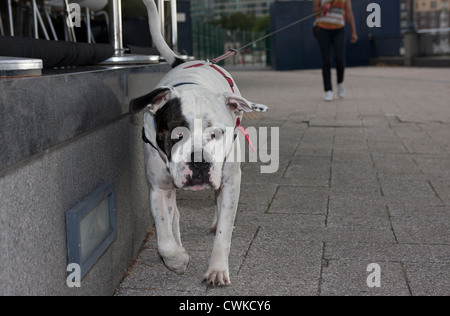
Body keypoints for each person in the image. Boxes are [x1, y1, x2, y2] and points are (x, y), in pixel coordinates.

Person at [313, 0, 358, 101]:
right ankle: (328, 90)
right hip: (322, 29)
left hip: (339, 29)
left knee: (340, 59)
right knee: (326, 60)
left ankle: (340, 82)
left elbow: (348, 11)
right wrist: (323, 7)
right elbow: (315, 11)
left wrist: (353, 31)